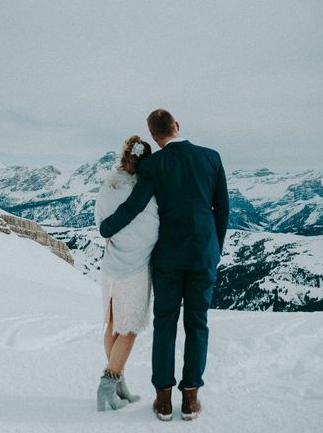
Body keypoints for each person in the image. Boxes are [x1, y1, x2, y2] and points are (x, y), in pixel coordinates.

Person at [99, 109, 229, 421]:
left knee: (165, 324)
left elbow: (135, 205)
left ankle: (162, 399)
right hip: (203, 255)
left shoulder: (155, 164)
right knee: (197, 324)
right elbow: (222, 209)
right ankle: (191, 398)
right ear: (177, 126)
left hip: (168, 259)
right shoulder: (212, 157)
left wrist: (107, 228)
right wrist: (215, 249)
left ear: (156, 138)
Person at [94, 135, 159, 412]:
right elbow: (154, 231)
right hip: (136, 269)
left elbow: (101, 224)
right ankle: (107, 385)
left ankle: (118, 385)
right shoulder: (148, 194)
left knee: (112, 325)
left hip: (111, 267)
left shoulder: (108, 187)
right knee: (129, 328)